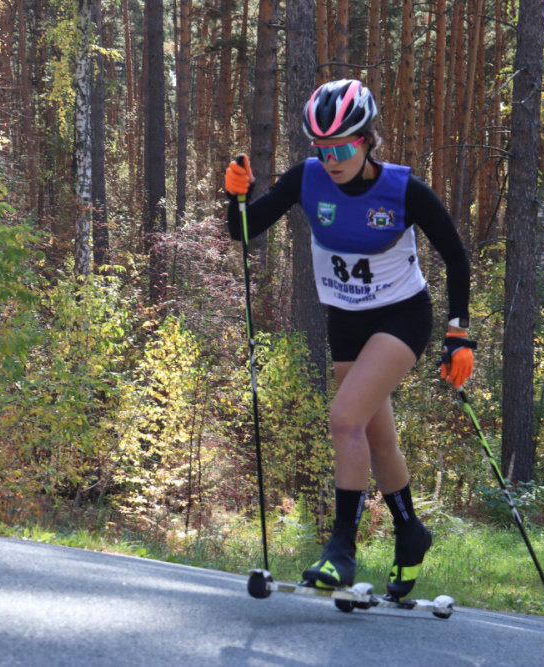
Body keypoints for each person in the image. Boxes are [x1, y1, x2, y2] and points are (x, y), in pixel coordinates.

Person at [224, 79, 476, 599]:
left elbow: (455, 256)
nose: (331, 159)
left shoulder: (404, 190)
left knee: (343, 419)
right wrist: (236, 197)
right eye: (321, 148)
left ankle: (341, 548)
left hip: (402, 317)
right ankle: (411, 533)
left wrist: (459, 331)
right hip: (346, 320)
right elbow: (244, 230)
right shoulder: (308, 180)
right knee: (376, 440)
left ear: (367, 141)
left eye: (341, 147)